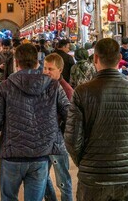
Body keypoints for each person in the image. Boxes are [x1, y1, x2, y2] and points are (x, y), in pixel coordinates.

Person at [65, 38, 128, 201]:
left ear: (95, 58)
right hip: (127, 175)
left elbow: (72, 138)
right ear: (119, 58)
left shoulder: (82, 92)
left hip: (93, 176)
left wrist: (85, 162)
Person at [0, 43, 70, 201]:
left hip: (12, 154)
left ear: (16, 63)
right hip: (40, 155)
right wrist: (59, 139)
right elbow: (70, 115)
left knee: (9, 197)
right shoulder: (53, 86)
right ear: (38, 62)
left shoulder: (4, 87)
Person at [43, 53, 73, 201]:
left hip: (59, 141)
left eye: (50, 69)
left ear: (60, 70)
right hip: (44, 140)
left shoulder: (66, 90)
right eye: (44, 68)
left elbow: (70, 117)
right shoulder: (43, 86)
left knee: (63, 179)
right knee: (42, 176)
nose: (46, 72)